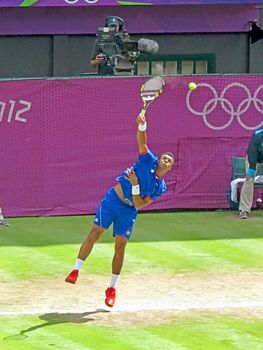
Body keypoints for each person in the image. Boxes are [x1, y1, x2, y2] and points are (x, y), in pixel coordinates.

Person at [65, 112, 175, 307]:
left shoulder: (161, 187)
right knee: (95, 233)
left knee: (121, 246)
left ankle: (112, 288)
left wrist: (134, 185)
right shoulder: (148, 159)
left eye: (169, 160)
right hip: (113, 200)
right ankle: (75, 270)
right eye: (164, 157)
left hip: (129, 211)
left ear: (170, 167)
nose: (165, 160)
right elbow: (142, 142)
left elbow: (140, 204)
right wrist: (142, 126)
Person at [239, 128, 263, 219]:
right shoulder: (257, 136)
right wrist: (251, 170)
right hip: (254, 158)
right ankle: (244, 209)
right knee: (249, 179)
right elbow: (252, 154)